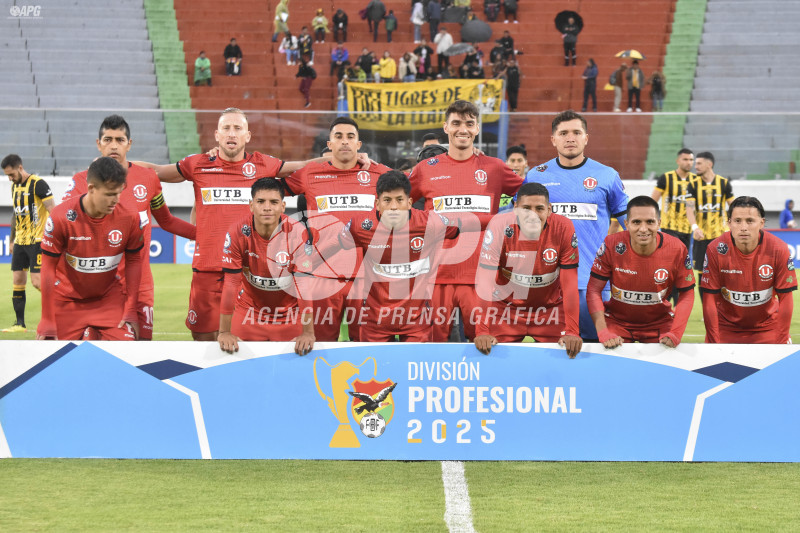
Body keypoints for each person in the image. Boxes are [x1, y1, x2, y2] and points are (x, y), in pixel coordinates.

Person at [133, 108, 323, 342]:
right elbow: (158, 171)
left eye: (237, 128)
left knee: (245, 343)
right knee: (203, 338)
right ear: (216, 135)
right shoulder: (198, 164)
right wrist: (118, 163)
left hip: (246, 271)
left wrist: (343, 157)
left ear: (247, 136)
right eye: (226, 128)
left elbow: (304, 165)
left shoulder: (263, 164)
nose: (231, 133)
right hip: (206, 268)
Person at [62, 115, 196, 341]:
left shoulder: (148, 179)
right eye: (107, 139)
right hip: (96, 289)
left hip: (140, 285)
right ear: (98, 144)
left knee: (139, 354)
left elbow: (166, 220)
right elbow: (63, 225)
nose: (113, 145)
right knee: (91, 356)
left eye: (120, 140)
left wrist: (204, 235)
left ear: (129, 144)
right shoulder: (80, 181)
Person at [409, 100, 524, 341]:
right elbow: (397, 202)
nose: (463, 129)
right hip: (436, 276)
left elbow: (530, 196)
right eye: (457, 123)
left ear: (477, 129)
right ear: (446, 127)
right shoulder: (424, 169)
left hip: (483, 275)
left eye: (469, 123)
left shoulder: (494, 167)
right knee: (432, 346)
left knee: (483, 346)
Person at [521, 110, 629, 342]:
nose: (570, 138)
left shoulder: (607, 176)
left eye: (576, 132)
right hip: (548, 285)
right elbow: (513, 222)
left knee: (598, 350)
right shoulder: (536, 176)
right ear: (553, 139)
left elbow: (632, 223)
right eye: (563, 133)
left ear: (586, 138)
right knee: (553, 353)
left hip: (596, 283)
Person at [282, 117, 393, 341]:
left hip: (367, 278)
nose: (345, 142)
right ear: (329, 144)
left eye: (350, 137)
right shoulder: (310, 173)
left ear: (359, 145)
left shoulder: (379, 174)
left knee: (367, 348)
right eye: (338, 137)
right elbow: (269, 192)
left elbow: (413, 183)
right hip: (323, 277)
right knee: (320, 347)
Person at [326, 171, 463, 341]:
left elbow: (470, 224)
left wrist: (502, 222)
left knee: (413, 367)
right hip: (375, 320)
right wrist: (304, 261)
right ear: (377, 204)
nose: (393, 207)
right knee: (376, 367)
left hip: (416, 320)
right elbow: (331, 246)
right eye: (387, 200)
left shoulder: (429, 222)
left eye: (399, 200)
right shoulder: (360, 226)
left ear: (410, 203)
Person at [37, 157, 144, 341]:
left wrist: (131, 308)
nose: (115, 200)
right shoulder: (61, 217)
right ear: (91, 188)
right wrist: (47, 318)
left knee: (126, 354)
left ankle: (92, 334)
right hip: (66, 301)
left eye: (119, 193)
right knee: (53, 360)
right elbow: (47, 267)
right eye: (110, 194)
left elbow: (134, 261)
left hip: (107, 299)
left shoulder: (130, 216)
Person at [474, 183, 582, 358]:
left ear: (549, 210)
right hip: (505, 310)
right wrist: (482, 330)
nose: (532, 215)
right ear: (515, 208)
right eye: (526, 209)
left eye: (539, 209)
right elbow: (485, 283)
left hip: (550, 310)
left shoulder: (564, 227)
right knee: (492, 360)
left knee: (565, 361)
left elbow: (569, 285)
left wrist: (572, 331)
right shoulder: (499, 225)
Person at [218, 178, 315, 355]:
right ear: (251, 205)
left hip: (289, 316)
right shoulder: (238, 231)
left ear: (283, 206)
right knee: (240, 371)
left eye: (274, 202)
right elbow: (231, 283)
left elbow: (303, 287)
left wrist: (308, 333)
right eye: (260, 201)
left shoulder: (298, 234)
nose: (267, 207)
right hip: (249, 313)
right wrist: (224, 331)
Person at [588, 196, 695, 348]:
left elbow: (687, 293)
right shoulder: (611, 244)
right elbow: (593, 289)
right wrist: (603, 331)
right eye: (636, 222)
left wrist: (676, 333)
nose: (643, 229)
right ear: (626, 224)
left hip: (660, 325)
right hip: (617, 324)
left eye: (650, 222)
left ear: (659, 223)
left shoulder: (677, 248)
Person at [701, 196, 797, 344]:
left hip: (768, 328)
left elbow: (786, 299)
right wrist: (714, 342)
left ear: (762, 223)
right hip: (726, 328)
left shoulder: (779, 248)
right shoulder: (715, 249)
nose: (743, 227)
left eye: (750, 221)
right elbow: (709, 300)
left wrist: (782, 339)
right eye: (737, 221)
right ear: (729, 223)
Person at [2, 154, 54, 333]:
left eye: (11, 174)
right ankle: (19, 324)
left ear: (20, 168)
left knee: (38, 282)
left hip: (38, 241)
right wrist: (12, 239)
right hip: (20, 241)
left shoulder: (38, 184)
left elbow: (52, 210)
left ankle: (61, 309)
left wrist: (54, 236)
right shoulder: (14, 187)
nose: (10, 178)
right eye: (7, 175)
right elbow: (16, 215)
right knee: (17, 280)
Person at [685, 151, 734, 273]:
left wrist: (733, 226)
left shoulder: (724, 183)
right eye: (695, 163)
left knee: (722, 271)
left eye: (699, 163)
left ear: (709, 164)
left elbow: (733, 207)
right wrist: (695, 228)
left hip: (720, 236)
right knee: (702, 274)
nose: (695, 166)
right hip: (701, 237)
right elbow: (689, 209)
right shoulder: (693, 185)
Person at [651, 149, 695, 252]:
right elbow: (653, 202)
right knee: (672, 254)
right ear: (678, 161)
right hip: (669, 227)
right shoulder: (666, 178)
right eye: (685, 159)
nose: (689, 162)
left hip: (687, 228)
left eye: (691, 160)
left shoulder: (696, 180)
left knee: (683, 259)